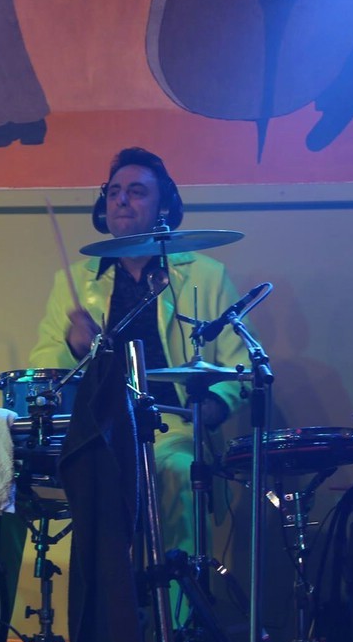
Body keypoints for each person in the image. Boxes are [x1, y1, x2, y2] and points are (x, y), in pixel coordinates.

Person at [28, 146, 250, 574]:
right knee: (50, 477)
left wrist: (212, 407)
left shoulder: (206, 275)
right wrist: (73, 346)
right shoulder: (72, 281)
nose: (122, 200)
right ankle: (80, 609)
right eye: (113, 192)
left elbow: (240, 366)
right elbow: (43, 366)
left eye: (136, 191)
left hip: (171, 426)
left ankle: (180, 606)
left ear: (164, 205)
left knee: (178, 470)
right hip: (94, 428)